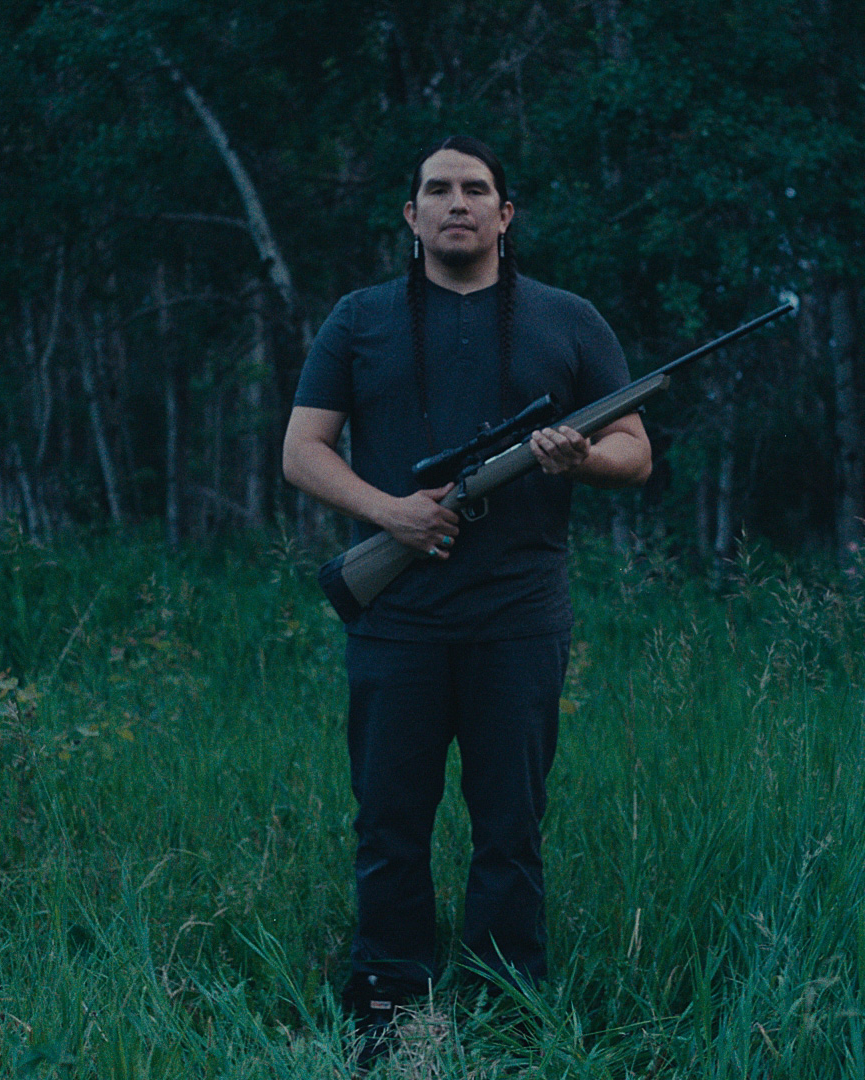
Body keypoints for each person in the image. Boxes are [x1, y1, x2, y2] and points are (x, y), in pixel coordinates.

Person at [281, 135, 651, 1058]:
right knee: (390, 820)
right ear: (411, 216)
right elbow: (301, 451)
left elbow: (635, 452)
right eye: (438, 190)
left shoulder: (568, 320)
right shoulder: (359, 319)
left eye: (476, 189)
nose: (458, 203)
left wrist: (578, 457)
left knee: (510, 826)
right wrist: (391, 515)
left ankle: (506, 1008)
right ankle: (385, 1003)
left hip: (520, 618)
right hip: (396, 617)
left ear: (504, 214)